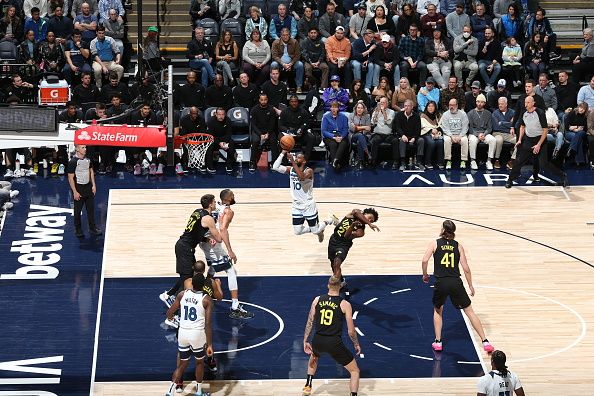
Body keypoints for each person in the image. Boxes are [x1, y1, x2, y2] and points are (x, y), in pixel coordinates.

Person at [421, 220, 495, 353]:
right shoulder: (458, 246)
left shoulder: (435, 243)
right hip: (456, 282)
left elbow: (424, 260)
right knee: (470, 311)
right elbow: (466, 268)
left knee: (438, 310)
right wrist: (470, 285)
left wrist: (425, 275)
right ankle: (485, 341)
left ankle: (438, 342)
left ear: (443, 230)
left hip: (441, 282)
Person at [199, 189, 254, 319]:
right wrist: (230, 250)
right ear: (228, 198)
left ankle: (204, 291)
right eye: (233, 195)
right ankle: (235, 307)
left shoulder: (215, 204)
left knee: (213, 266)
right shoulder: (228, 211)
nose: (234, 196)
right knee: (231, 271)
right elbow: (223, 229)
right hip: (214, 244)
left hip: (205, 241)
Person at [302, 275, 361, 396]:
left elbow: (310, 321)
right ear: (340, 287)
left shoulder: (317, 300)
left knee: (314, 356)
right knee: (355, 371)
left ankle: (308, 385)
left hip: (318, 340)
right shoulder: (345, 304)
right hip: (334, 343)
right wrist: (356, 343)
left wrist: (305, 340)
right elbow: (351, 331)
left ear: (328, 285)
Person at [161, 194, 223, 307]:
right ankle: (171, 301)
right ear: (210, 204)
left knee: (189, 276)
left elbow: (194, 232)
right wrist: (222, 224)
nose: (215, 204)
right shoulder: (208, 218)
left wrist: (207, 239)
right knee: (187, 279)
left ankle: (169, 295)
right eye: (214, 202)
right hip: (185, 248)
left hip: (184, 246)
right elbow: (219, 238)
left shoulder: (197, 211)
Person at [271, 149, 338, 242]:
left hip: (308, 205)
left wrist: (293, 162)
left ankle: (330, 220)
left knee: (315, 231)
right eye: (296, 157)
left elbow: (301, 177)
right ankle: (319, 229)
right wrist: (282, 153)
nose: (296, 159)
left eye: (298, 158)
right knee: (297, 231)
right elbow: (275, 167)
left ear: (304, 161)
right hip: (296, 205)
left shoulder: (309, 171)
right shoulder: (291, 170)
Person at [164, 274, 213, 396]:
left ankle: (170, 391)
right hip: (197, 334)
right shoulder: (206, 299)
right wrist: (210, 344)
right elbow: (207, 324)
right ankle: (199, 391)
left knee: (182, 364)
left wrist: (173, 319)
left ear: (192, 284)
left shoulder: (182, 294)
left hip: (183, 333)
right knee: (199, 362)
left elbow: (169, 313)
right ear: (203, 286)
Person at [506, 96, 568, 188]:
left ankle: (563, 176)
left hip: (540, 140)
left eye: (527, 103)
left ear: (533, 103)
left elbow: (545, 130)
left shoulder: (540, 113)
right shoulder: (524, 113)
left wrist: (538, 145)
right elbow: (522, 127)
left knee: (544, 164)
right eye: (525, 102)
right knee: (519, 161)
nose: (525, 104)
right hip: (528, 140)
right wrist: (519, 140)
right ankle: (510, 180)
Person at [328, 208, 379, 283]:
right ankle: (341, 281)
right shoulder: (352, 215)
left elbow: (346, 236)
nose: (370, 220)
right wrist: (369, 224)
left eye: (372, 221)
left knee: (337, 263)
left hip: (343, 245)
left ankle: (336, 285)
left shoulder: (361, 231)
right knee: (333, 265)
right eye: (370, 218)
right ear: (364, 213)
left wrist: (352, 226)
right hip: (333, 241)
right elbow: (355, 211)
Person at [67, 144, 101, 238]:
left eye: (85, 147)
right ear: (77, 149)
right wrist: (75, 192)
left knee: (90, 210)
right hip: (79, 189)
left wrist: (93, 185)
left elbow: (91, 172)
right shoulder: (73, 162)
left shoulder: (88, 160)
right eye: (83, 147)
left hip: (88, 188)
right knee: (77, 212)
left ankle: (92, 228)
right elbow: (70, 178)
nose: (85, 149)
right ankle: (78, 230)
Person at [249, 92, 278, 171]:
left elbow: (272, 123)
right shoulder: (254, 110)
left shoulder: (271, 109)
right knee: (255, 141)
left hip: (269, 130)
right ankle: (252, 162)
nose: (263, 101)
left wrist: (268, 133)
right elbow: (253, 125)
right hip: (258, 131)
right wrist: (261, 134)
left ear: (267, 100)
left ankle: (274, 162)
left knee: (273, 141)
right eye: (262, 100)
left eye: (265, 100)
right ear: (259, 100)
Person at [271, 27, 305, 92]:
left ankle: (299, 86)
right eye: (283, 35)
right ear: (280, 35)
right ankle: (274, 85)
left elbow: (297, 55)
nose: (285, 37)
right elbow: (275, 56)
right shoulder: (276, 42)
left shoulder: (294, 42)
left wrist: (291, 64)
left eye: (287, 35)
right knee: (273, 64)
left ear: (289, 35)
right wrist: (283, 64)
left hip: (292, 62)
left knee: (300, 65)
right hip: (280, 63)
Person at [394, 98, 424, 170]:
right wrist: (402, 135)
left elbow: (418, 130)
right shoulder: (399, 115)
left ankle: (419, 162)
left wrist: (414, 138)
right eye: (405, 106)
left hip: (413, 136)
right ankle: (403, 162)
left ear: (412, 107)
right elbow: (397, 127)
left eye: (408, 106)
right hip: (404, 136)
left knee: (421, 140)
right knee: (401, 141)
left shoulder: (416, 116)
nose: (406, 107)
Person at [467, 93, 495, 170]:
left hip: (484, 133)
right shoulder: (470, 113)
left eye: (482, 102)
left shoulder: (488, 113)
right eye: (478, 101)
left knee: (493, 140)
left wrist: (484, 134)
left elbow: (489, 128)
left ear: (484, 103)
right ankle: (473, 160)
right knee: (472, 140)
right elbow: (470, 128)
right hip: (473, 133)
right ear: (476, 102)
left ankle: (489, 161)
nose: (479, 103)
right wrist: (478, 134)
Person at [440, 98, 469, 169]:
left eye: (453, 105)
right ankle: (448, 160)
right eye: (450, 105)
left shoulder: (463, 114)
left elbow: (465, 127)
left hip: (460, 134)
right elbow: (445, 128)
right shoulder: (445, 114)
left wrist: (460, 136)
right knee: (447, 140)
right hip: (449, 134)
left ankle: (463, 160)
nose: (451, 107)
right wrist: (451, 136)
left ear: (457, 105)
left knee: (465, 140)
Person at [205, 107, 236, 173]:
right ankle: (209, 166)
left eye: (223, 114)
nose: (221, 116)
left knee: (232, 143)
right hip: (214, 139)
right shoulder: (210, 121)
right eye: (219, 114)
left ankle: (229, 165)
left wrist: (224, 142)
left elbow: (229, 134)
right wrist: (219, 143)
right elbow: (210, 136)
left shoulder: (228, 120)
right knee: (209, 144)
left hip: (224, 139)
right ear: (216, 114)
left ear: (225, 114)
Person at [370, 96, 398, 167]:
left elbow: (389, 122)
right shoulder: (376, 111)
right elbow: (372, 123)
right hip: (378, 134)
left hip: (388, 134)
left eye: (383, 102)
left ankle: (396, 161)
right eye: (380, 102)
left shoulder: (391, 112)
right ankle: (373, 160)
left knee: (395, 141)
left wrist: (384, 112)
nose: (381, 104)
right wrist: (376, 113)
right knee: (374, 141)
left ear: (387, 103)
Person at [322, 101, 350, 169]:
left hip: (341, 136)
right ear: (330, 108)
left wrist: (341, 137)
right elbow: (324, 131)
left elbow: (345, 129)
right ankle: (335, 162)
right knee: (333, 144)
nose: (333, 109)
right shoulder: (326, 117)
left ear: (338, 108)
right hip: (329, 137)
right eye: (332, 107)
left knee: (343, 143)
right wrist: (333, 137)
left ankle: (335, 160)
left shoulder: (343, 117)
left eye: (335, 107)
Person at [491, 96, 516, 170]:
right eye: (499, 104)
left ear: (506, 104)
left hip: (509, 134)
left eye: (502, 104)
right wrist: (510, 125)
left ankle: (512, 160)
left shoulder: (512, 112)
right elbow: (496, 127)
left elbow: (516, 123)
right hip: (497, 133)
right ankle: (496, 160)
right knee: (499, 140)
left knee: (519, 140)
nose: (500, 105)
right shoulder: (495, 113)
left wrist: (502, 122)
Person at [420, 100, 444, 169]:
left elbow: (441, 125)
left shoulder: (438, 115)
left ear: (435, 107)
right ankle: (427, 162)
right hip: (426, 133)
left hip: (437, 133)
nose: (430, 108)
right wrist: (431, 131)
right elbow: (423, 127)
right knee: (431, 142)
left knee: (440, 142)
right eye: (429, 106)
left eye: (432, 106)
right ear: (426, 107)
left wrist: (437, 130)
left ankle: (440, 162)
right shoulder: (423, 116)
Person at [477, 27, 501, 92]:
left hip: (493, 61)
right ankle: (490, 84)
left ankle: (488, 85)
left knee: (498, 67)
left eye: (488, 33)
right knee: (481, 67)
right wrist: (485, 47)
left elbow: (498, 55)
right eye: (486, 33)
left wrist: (492, 64)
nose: (487, 35)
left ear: (492, 34)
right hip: (483, 61)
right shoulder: (481, 42)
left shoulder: (497, 43)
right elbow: (479, 56)